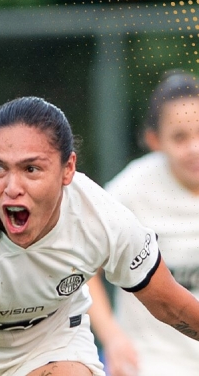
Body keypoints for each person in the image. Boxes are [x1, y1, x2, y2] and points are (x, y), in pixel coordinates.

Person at [0, 96, 199, 376]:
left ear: (68, 168)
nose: (12, 187)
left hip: (51, 346)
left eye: (31, 169)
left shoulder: (102, 218)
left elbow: (172, 306)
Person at [87, 71, 199, 376]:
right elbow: (81, 266)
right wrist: (112, 337)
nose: (194, 148)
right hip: (151, 363)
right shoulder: (132, 189)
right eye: (180, 137)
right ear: (154, 140)